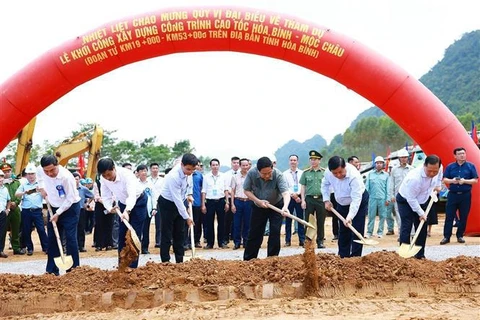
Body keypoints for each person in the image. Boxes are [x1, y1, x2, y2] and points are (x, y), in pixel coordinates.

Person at [97, 158, 147, 269]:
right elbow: (105, 195)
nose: (108, 178)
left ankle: (132, 268)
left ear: (114, 168)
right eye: (105, 176)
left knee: (133, 235)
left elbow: (132, 195)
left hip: (138, 201)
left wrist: (127, 211)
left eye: (109, 174)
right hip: (123, 203)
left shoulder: (127, 175)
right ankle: (122, 266)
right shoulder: (103, 178)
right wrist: (109, 207)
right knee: (122, 234)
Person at [37, 155, 81, 275]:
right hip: (53, 206)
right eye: (47, 171)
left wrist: (58, 213)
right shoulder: (41, 170)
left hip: (70, 208)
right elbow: (39, 176)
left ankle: (73, 270)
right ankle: (52, 270)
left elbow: (70, 198)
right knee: (52, 239)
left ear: (57, 165)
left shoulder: (66, 177)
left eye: (52, 170)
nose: (50, 173)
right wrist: (41, 188)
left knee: (70, 238)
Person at [321, 156, 369, 258]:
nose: (338, 175)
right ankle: (343, 257)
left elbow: (356, 199)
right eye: (335, 173)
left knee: (356, 229)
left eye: (340, 172)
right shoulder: (328, 173)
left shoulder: (354, 176)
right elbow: (324, 185)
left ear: (345, 167)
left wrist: (350, 216)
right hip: (342, 203)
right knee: (343, 230)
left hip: (358, 202)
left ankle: (355, 258)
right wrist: (326, 200)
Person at [243, 156, 290, 261]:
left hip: (276, 206)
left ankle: (272, 259)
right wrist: (258, 201)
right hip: (258, 206)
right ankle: (249, 260)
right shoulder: (251, 173)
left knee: (275, 231)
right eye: (264, 174)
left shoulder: (278, 175)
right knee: (255, 232)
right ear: (258, 171)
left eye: (269, 172)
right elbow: (246, 190)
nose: (267, 176)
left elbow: (286, 193)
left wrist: (285, 207)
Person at [396, 155, 442, 259]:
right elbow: (411, 199)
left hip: (423, 199)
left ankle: (420, 255)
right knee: (406, 225)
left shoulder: (438, 169)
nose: (432, 173)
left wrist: (438, 185)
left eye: (435, 171)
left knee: (422, 226)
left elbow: (439, 175)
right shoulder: (415, 179)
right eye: (429, 171)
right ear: (424, 166)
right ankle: (404, 255)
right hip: (405, 200)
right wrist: (421, 213)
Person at [157, 153, 197, 263]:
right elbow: (177, 199)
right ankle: (165, 261)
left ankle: (180, 260)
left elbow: (189, 185)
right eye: (188, 169)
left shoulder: (189, 173)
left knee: (180, 232)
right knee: (167, 233)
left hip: (181, 201)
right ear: (182, 164)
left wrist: (189, 194)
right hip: (167, 203)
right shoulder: (173, 176)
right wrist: (187, 217)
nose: (190, 172)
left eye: (192, 170)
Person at [441, 147, 478, 245]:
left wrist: (464, 181)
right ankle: (446, 236)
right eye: (459, 154)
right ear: (455, 156)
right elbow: (445, 179)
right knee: (449, 216)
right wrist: (453, 180)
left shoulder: (471, 166)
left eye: (463, 153)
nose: (462, 155)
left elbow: (475, 180)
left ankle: (460, 235)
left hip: (465, 195)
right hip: (453, 195)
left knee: (463, 216)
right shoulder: (450, 166)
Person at [15, 164, 48, 256]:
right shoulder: (23, 184)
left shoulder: (40, 184)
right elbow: (16, 194)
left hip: (37, 211)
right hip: (26, 211)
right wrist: (24, 192)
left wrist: (41, 190)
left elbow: (46, 194)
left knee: (41, 229)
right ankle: (29, 248)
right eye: (29, 174)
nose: (31, 176)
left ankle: (46, 247)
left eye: (32, 173)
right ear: (26, 175)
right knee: (26, 230)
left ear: (35, 174)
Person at [300, 150, 327, 249]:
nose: (313, 161)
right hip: (309, 199)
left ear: (319, 160)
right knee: (308, 221)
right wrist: (303, 200)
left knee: (321, 221)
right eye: (311, 159)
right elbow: (303, 187)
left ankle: (320, 241)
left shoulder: (324, 172)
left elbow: (328, 187)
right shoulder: (306, 173)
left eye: (315, 159)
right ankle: (308, 241)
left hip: (321, 199)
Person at [201, 158, 229, 249]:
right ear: (210, 166)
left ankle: (222, 242)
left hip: (221, 201)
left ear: (219, 166)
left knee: (222, 222)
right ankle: (210, 243)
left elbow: (226, 189)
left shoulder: (223, 176)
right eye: (213, 165)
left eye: (216, 165)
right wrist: (203, 204)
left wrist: (227, 202)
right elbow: (204, 191)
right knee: (209, 223)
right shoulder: (206, 177)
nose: (215, 167)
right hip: (210, 201)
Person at [0, 163, 24, 255]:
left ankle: (16, 248)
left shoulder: (17, 183)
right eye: (5, 171)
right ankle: (1, 249)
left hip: (15, 209)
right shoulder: (2, 183)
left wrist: (16, 202)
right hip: (4, 209)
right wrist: (8, 206)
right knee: (2, 230)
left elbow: (20, 194)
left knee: (16, 229)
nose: (7, 173)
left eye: (8, 171)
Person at [388, 149, 413, 237]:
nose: (404, 159)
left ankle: (411, 233)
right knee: (399, 215)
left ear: (408, 158)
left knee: (410, 213)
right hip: (398, 196)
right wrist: (391, 195)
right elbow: (392, 183)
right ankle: (401, 233)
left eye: (405, 157)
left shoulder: (411, 169)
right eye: (402, 157)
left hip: (409, 196)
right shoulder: (394, 170)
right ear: (399, 158)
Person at [365, 156, 390, 238]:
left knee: (382, 216)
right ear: (375, 164)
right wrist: (366, 198)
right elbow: (367, 187)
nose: (379, 165)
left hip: (382, 198)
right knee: (371, 215)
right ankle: (369, 232)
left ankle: (380, 232)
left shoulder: (386, 175)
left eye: (381, 163)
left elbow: (388, 188)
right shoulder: (370, 174)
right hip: (372, 198)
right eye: (377, 163)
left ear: (383, 164)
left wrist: (388, 198)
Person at [283, 154, 305, 247]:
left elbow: (303, 186)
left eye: (294, 160)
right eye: (291, 160)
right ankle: (288, 240)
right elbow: (284, 187)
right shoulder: (284, 174)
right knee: (288, 219)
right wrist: (293, 195)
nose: (293, 162)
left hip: (300, 198)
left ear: (297, 162)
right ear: (289, 162)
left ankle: (302, 240)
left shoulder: (302, 173)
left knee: (300, 219)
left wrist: (298, 194)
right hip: (289, 198)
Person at [230, 158, 252, 249]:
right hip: (238, 201)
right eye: (243, 165)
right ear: (239, 166)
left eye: (247, 165)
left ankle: (246, 242)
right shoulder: (235, 177)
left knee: (248, 223)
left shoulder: (251, 176)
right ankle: (237, 242)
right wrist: (232, 204)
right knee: (237, 223)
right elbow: (232, 191)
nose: (245, 167)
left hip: (248, 201)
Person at [0, 170, 12, 258]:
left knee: (2, 232)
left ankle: (0, 250)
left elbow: (9, 200)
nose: (0, 179)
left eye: (1, 177)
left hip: (2, 213)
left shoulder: (5, 189)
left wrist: (7, 209)